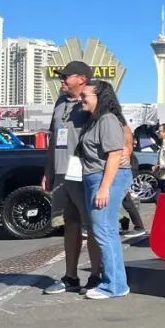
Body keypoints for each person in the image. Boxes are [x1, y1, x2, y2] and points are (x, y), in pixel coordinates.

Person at [42, 61, 102, 295]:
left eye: (66, 76)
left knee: (93, 225)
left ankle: (96, 275)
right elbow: (53, 138)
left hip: (84, 173)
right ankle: (70, 277)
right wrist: (48, 170)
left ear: (82, 79)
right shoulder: (60, 103)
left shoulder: (93, 101)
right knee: (70, 224)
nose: (62, 81)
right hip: (61, 173)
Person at [76, 80, 134, 300]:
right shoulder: (95, 120)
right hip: (95, 178)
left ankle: (115, 285)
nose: (81, 99)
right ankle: (114, 282)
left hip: (106, 178)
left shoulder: (107, 119)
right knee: (104, 230)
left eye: (85, 96)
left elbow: (114, 154)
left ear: (99, 97)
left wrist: (104, 188)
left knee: (104, 230)